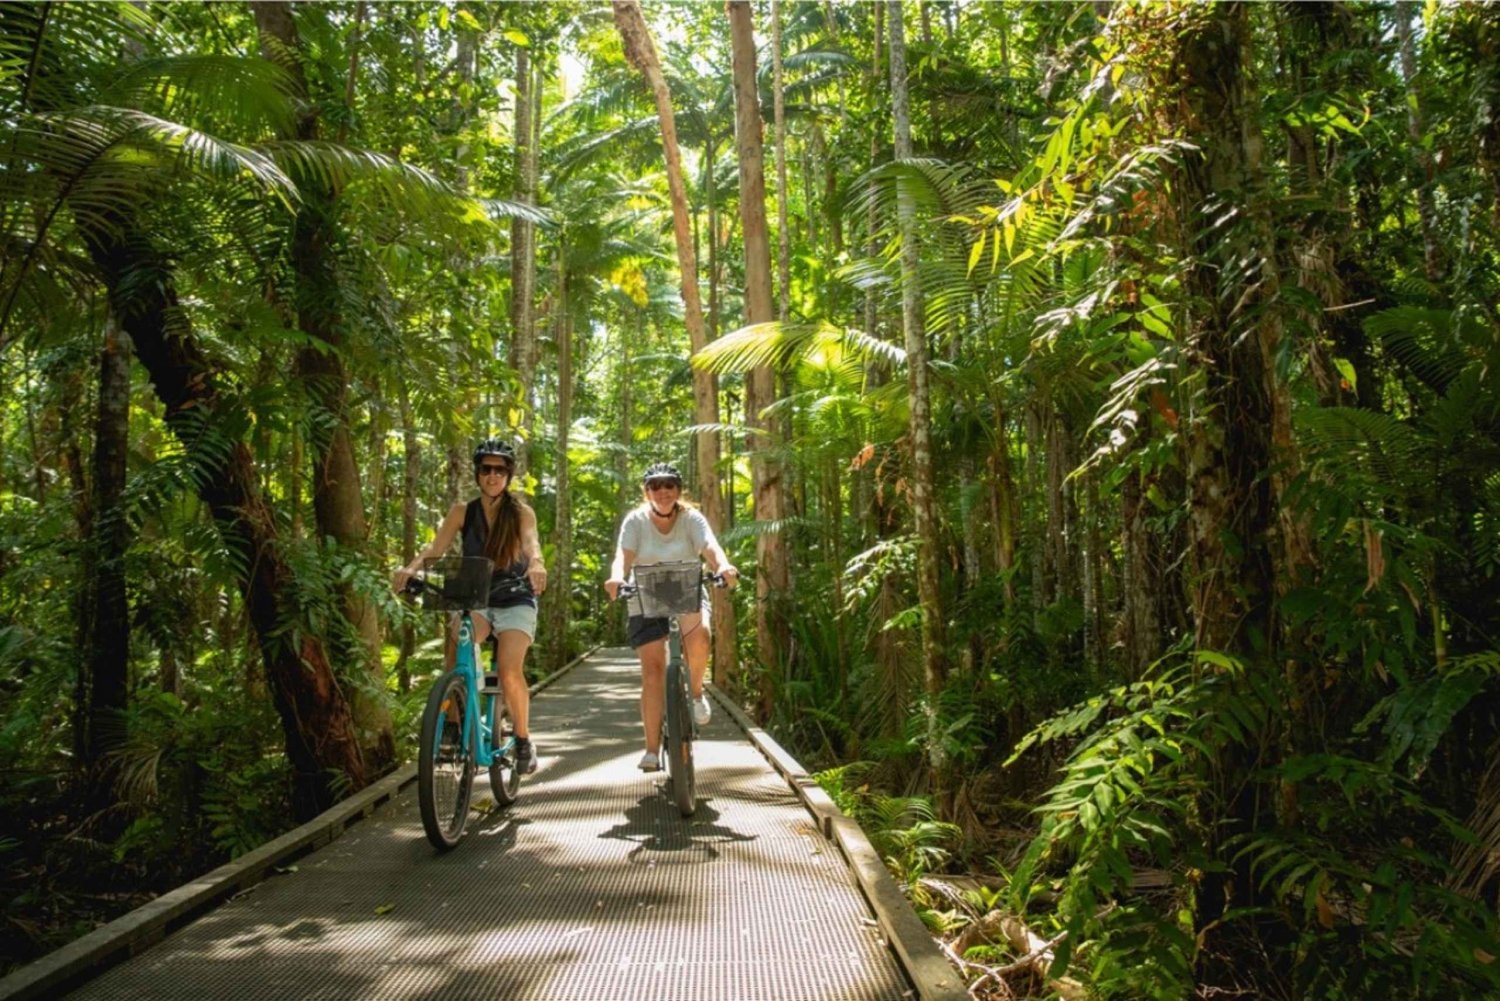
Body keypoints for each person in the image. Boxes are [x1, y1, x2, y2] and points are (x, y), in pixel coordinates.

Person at [393, 438, 547, 774]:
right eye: (486, 469)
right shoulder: (463, 511)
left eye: (500, 470)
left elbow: (532, 544)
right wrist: (411, 568)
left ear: (508, 475)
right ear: (478, 473)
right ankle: (452, 723)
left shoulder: (521, 512)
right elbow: (435, 547)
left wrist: (536, 564)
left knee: (508, 670)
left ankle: (522, 739)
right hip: (476, 596)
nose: (492, 475)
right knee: (457, 644)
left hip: (515, 595)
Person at [604, 461, 738, 772]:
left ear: (678, 490)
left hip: (685, 587)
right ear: (646, 491)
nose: (662, 492)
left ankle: (695, 693)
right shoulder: (636, 521)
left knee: (700, 635)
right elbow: (622, 558)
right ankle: (651, 750)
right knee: (652, 672)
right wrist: (615, 579)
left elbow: (710, 547)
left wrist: (723, 567)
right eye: (655, 486)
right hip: (645, 592)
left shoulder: (691, 518)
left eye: (669, 485)